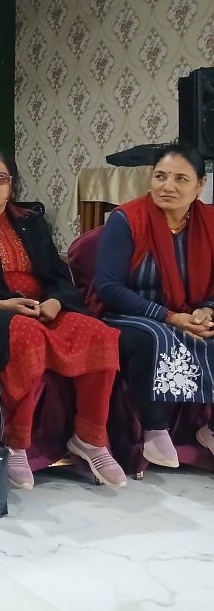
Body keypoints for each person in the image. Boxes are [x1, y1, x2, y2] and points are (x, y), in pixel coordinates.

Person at [0, 151, 126, 489]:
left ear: (12, 186)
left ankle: (90, 438)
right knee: (26, 333)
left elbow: (59, 274)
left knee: (99, 332)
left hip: (39, 309)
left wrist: (55, 302)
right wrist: (0, 304)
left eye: (0, 178)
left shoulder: (30, 222)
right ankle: (16, 442)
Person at [94, 142, 214, 467]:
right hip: (125, 314)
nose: (167, 186)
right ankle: (155, 428)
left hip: (187, 312)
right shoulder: (126, 220)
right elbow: (108, 288)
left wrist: (206, 310)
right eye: (160, 176)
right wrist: (170, 316)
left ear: (200, 185)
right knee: (155, 337)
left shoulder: (210, 222)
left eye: (180, 179)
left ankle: (210, 430)